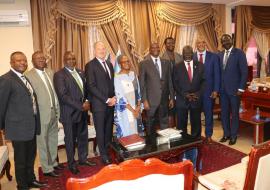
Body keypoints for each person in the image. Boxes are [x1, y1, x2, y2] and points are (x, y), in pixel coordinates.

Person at [0, 51, 47, 190]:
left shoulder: (24, 78)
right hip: (18, 128)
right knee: (20, 160)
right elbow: (1, 105)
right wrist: (3, 127)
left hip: (30, 126)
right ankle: (22, 185)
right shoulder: (6, 79)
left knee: (31, 157)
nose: (23, 63)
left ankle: (31, 179)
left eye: (24, 60)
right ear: (11, 63)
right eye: (19, 60)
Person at [54, 51, 96, 175]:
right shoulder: (59, 75)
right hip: (69, 114)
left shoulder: (81, 72)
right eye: (68, 59)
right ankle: (71, 164)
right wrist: (80, 105)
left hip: (83, 113)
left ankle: (83, 159)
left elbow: (86, 89)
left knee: (83, 137)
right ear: (64, 60)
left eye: (73, 58)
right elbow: (63, 95)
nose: (71, 61)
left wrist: (87, 101)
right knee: (70, 141)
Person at [26, 51, 64, 177]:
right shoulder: (28, 76)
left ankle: (53, 163)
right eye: (38, 58)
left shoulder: (50, 72)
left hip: (54, 112)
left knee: (53, 140)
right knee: (43, 142)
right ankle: (47, 168)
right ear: (32, 61)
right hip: (41, 115)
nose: (41, 60)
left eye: (43, 58)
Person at [85, 41, 116, 165]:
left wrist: (113, 97)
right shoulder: (90, 65)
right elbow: (91, 87)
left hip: (110, 104)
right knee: (101, 131)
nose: (102, 51)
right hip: (99, 105)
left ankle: (108, 151)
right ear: (94, 50)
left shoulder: (109, 64)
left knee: (108, 130)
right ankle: (103, 156)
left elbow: (111, 83)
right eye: (99, 48)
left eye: (103, 48)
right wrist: (107, 99)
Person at [218, 34, 248, 145]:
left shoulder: (239, 53)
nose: (225, 42)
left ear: (231, 40)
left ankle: (234, 136)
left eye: (227, 40)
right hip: (222, 90)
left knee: (234, 113)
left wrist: (241, 88)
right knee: (224, 113)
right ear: (222, 43)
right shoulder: (219, 54)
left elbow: (244, 72)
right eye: (223, 41)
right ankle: (226, 134)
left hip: (235, 90)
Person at [139, 42, 174, 135]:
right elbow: (142, 84)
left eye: (157, 47)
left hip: (164, 99)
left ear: (160, 49)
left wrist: (171, 97)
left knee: (164, 122)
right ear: (150, 50)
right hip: (150, 101)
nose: (155, 49)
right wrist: (144, 100)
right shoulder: (144, 64)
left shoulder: (166, 62)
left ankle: (165, 142)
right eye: (153, 47)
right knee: (151, 123)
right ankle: (151, 144)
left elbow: (170, 81)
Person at [173, 45, 205, 138]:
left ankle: (195, 140)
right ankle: (183, 140)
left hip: (196, 98)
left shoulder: (200, 65)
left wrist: (197, 94)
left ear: (192, 53)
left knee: (196, 121)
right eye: (185, 53)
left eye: (189, 52)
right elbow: (175, 83)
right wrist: (185, 94)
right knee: (181, 123)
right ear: (182, 54)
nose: (187, 55)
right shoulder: (177, 66)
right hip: (182, 99)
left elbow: (204, 81)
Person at [193, 38, 220, 143]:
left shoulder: (213, 57)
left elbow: (217, 74)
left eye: (202, 42)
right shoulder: (192, 56)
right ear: (196, 45)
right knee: (196, 114)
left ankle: (208, 135)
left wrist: (216, 90)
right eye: (198, 43)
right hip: (195, 92)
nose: (200, 44)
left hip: (209, 91)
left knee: (208, 114)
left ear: (205, 43)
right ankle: (197, 135)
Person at [114, 55, 143, 138]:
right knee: (128, 135)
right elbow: (121, 98)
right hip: (126, 111)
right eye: (124, 62)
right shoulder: (117, 78)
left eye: (128, 61)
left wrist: (137, 108)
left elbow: (139, 93)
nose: (127, 63)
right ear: (119, 65)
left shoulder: (133, 74)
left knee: (137, 134)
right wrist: (133, 111)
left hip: (136, 109)